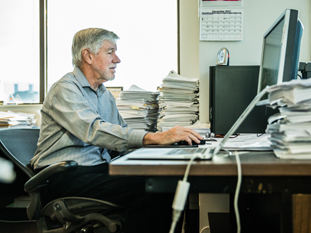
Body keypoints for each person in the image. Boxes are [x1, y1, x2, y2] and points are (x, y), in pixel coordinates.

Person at [30, 28, 202, 233]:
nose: (117, 59)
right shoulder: (65, 89)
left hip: (95, 171)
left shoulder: (104, 95)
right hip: (64, 177)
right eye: (110, 52)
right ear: (88, 56)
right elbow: (94, 131)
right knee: (150, 190)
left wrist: (167, 149)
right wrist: (156, 137)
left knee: (164, 181)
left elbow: (122, 138)